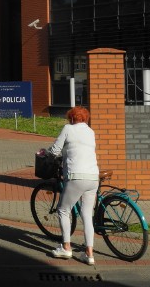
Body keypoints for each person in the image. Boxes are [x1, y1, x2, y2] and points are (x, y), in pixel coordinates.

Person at [48, 106, 99, 265]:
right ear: (85, 119)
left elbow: (55, 150)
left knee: (63, 210)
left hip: (76, 177)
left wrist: (48, 153)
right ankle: (89, 254)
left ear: (71, 118)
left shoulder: (68, 129)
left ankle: (66, 248)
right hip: (93, 178)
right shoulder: (91, 132)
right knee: (87, 214)